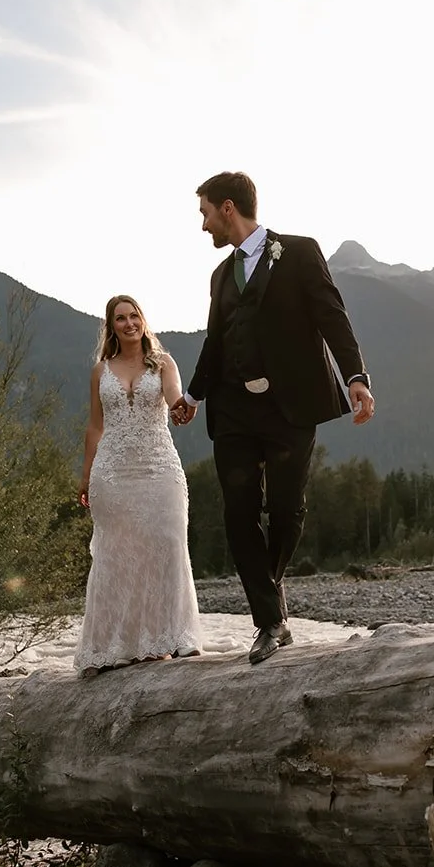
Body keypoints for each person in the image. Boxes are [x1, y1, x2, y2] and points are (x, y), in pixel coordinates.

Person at [171, 172, 374, 665]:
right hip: (234, 409)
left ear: (226, 208)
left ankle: (271, 590)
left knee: (286, 509)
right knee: (238, 512)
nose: (202, 227)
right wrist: (194, 396)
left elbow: (332, 316)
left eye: (203, 213)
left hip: (290, 406)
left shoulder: (300, 252)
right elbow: (216, 342)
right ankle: (269, 621)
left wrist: (356, 376)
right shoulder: (220, 276)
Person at [76, 295, 203, 677]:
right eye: (120, 319)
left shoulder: (163, 363)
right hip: (112, 473)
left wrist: (183, 406)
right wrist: (85, 475)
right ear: (111, 326)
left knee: (166, 542)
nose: (129, 323)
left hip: (158, 467)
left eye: (134, 316)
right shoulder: (101, 371)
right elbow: (95, 426)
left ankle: (168, 639)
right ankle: (115, 645)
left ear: (143, 321)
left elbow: (174, 396)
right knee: (117, 554)